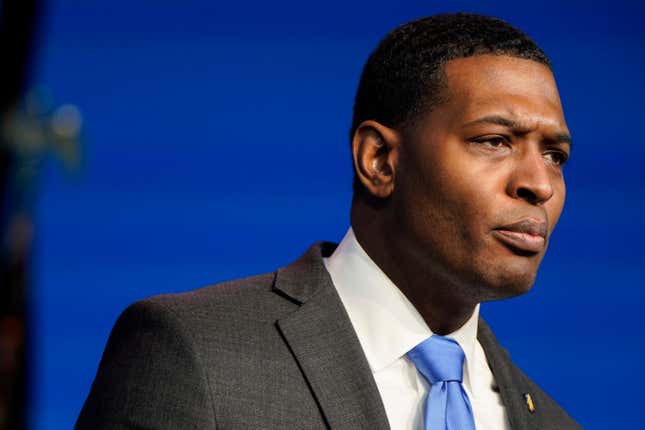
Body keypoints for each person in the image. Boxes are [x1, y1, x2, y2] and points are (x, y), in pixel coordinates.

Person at [76, 13, 581, 430]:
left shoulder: (554, 423)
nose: (540, 183)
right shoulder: (195, 354)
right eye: (494, 141)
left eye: (555, 155)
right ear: (380, 160)